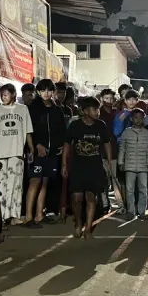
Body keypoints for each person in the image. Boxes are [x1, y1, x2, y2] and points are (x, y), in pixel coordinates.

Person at [63, 97, 112, 238]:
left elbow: (107, 143)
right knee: (77, 198)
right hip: (78, 166)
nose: (97, 112)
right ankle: (78, 223)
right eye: (94, 109)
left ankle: (88, 228)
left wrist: (108, 162)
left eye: (98, 109)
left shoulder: (101, 125)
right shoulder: (75, 125)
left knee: (91, 197)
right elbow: (67, 145)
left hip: (94, 166)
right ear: (85, 111)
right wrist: (64, 164)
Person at [0, 84, 33, 225]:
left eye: (6, 94)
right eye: (1, 95)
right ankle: (1, 216)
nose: (3, 97)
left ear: (13, 94)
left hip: (16, 152)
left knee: (15, 185)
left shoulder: (23, 109)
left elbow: (27, 131)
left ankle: (13, 215)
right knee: (0, 185)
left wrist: (31, 148)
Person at [26, 80, 67, 228]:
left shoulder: (57, 109)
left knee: (45, 182)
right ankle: (29, 217)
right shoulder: (33, 108)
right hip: (38, 151)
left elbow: (62, 129)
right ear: (38, 91)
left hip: (52, 152)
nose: (46, 93)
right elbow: (29, 129)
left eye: (49, 90)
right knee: (35, 181)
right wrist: (36, 145)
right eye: (43, 90)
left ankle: (39, 215)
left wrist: (61, 144)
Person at [118, 109, 148, 220]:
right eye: (135, 117)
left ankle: (141, 212)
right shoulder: (126, 132)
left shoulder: (146, 133)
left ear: (143, 119)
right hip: (129, 166)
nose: (138, 120)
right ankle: (131, 211)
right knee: (130, 190)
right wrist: (120, 162)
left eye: (140, 117)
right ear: (131, 119)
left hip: (143, 166)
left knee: (143, 189)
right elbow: (122, 148)